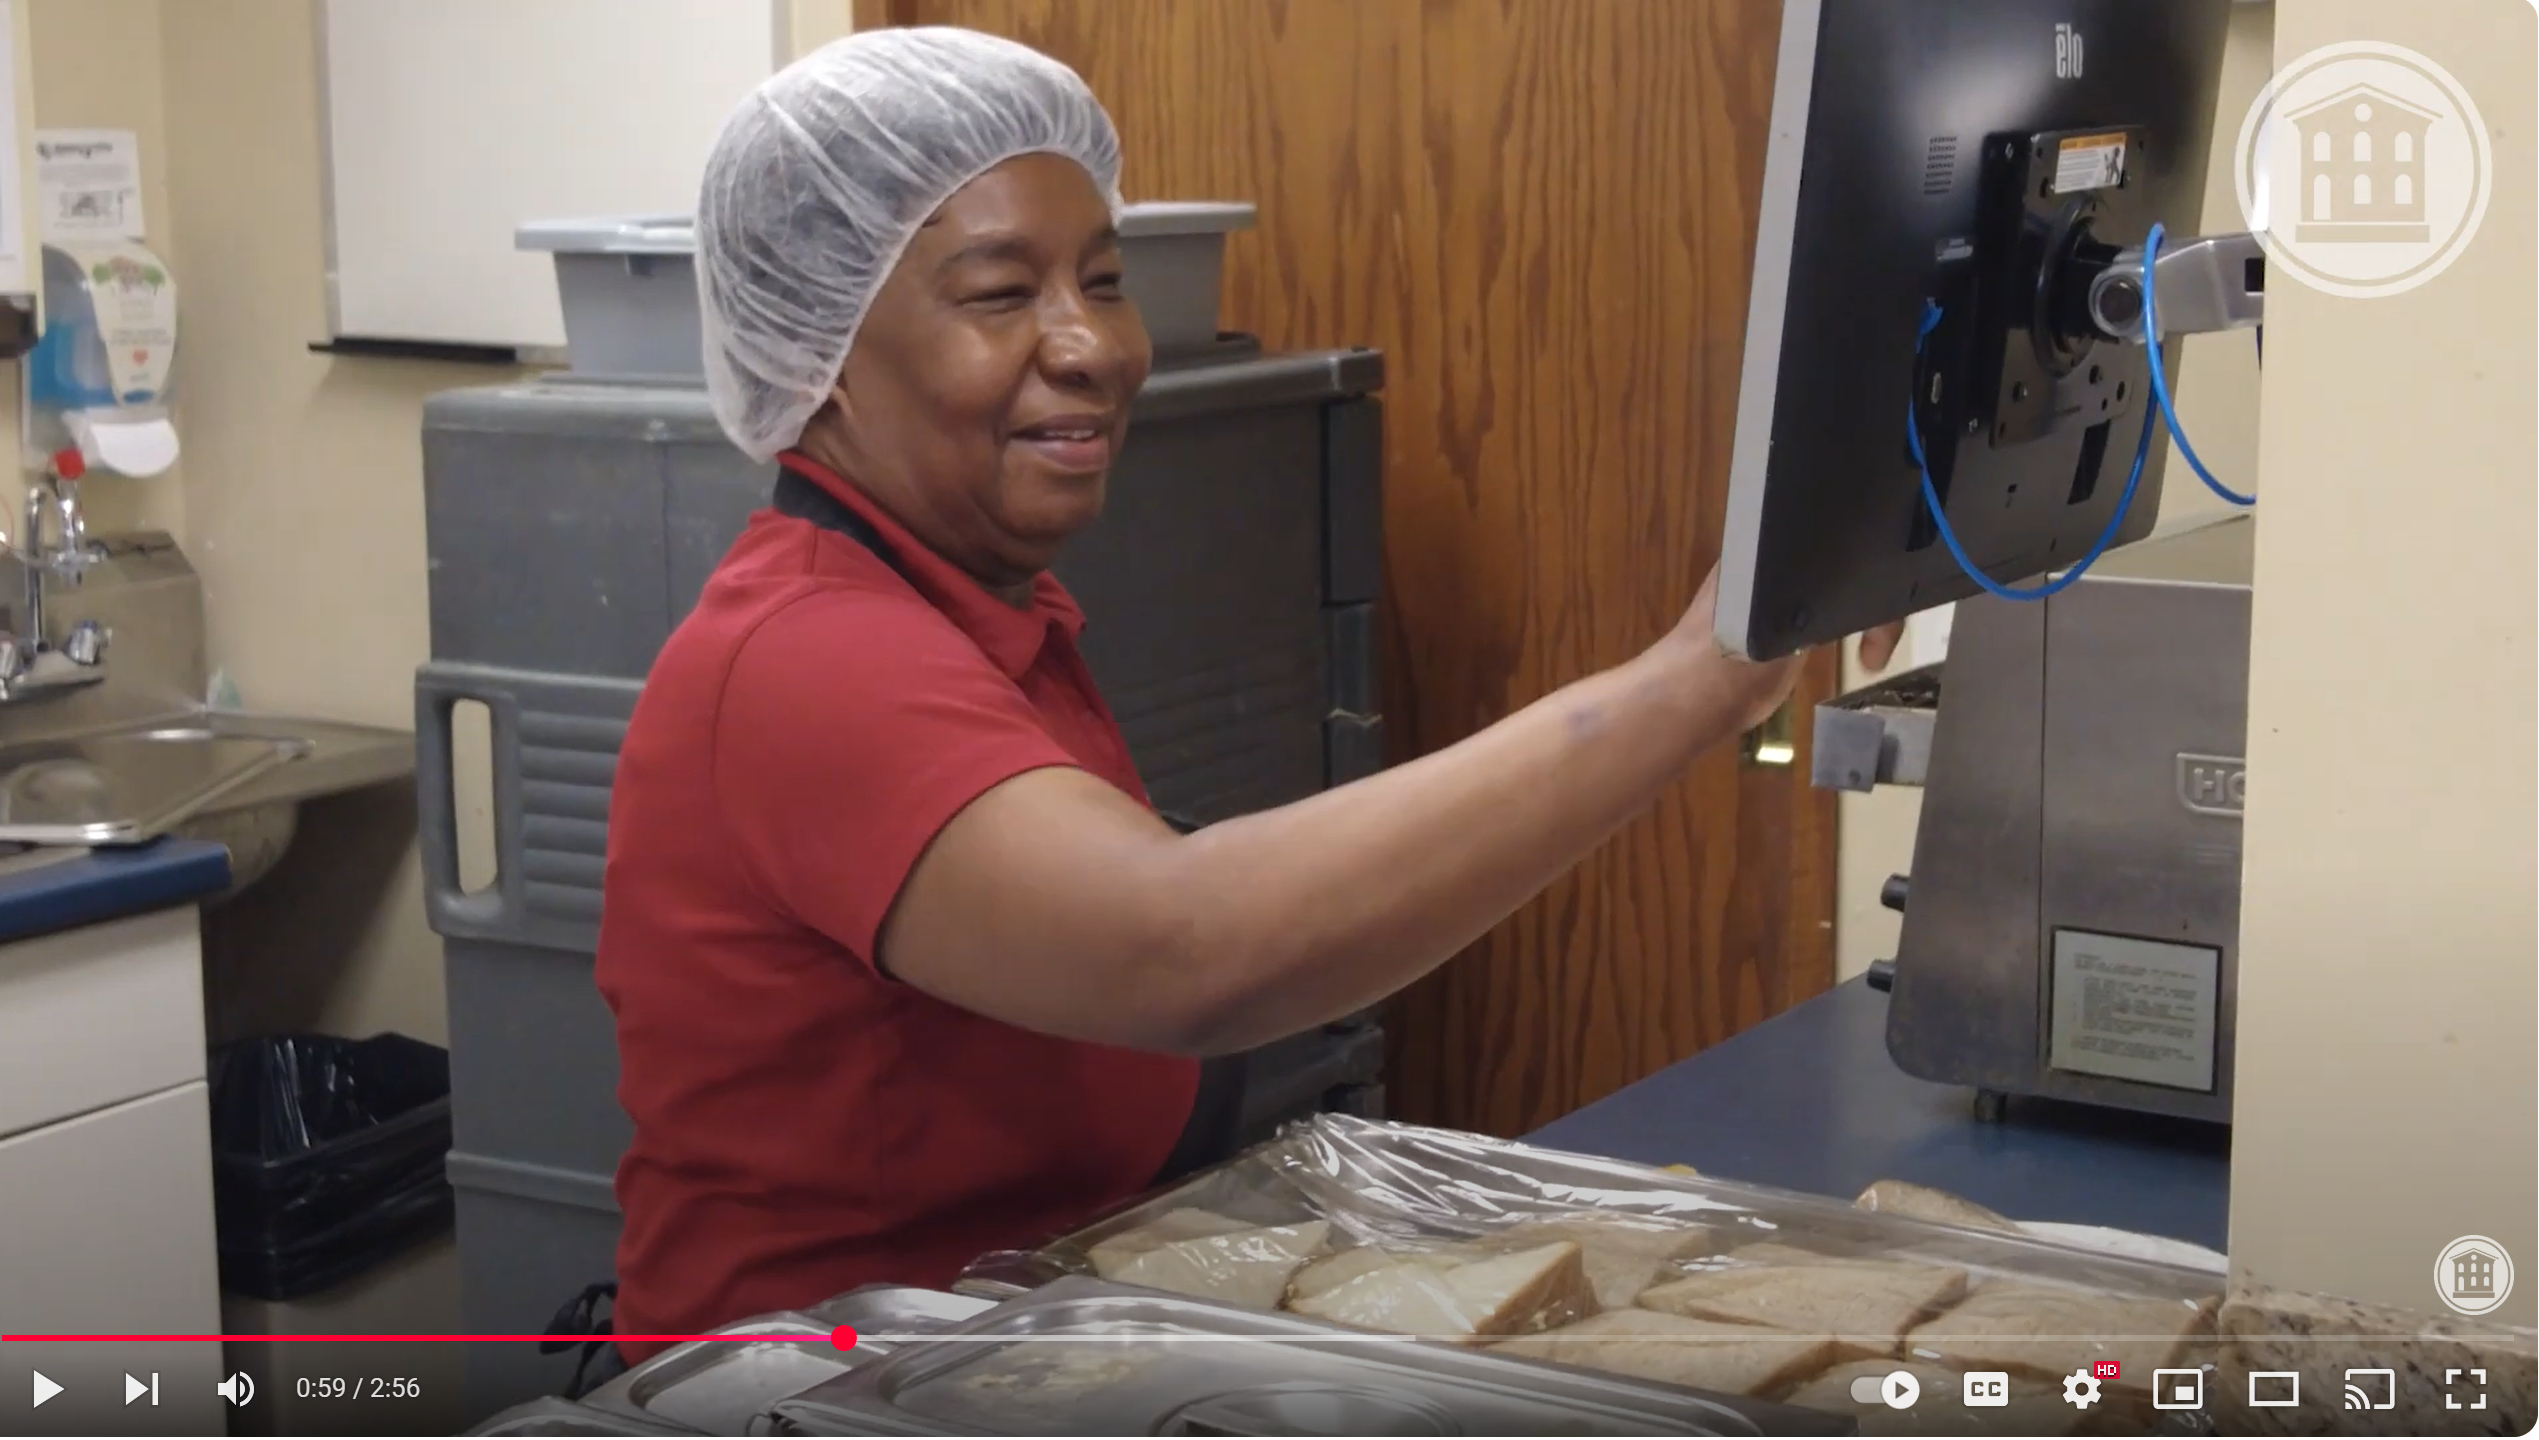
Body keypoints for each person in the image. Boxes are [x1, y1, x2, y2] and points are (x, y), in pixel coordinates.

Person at [594, 25, 1900, 1361]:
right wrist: (1689, 686)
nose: (1091, 345)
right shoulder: (809, 659)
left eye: (1103, 281)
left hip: (1004, 1337)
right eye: (999, 295)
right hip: (806, 1388)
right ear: (819, 346)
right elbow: (1186, 949)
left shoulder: (981, 614)